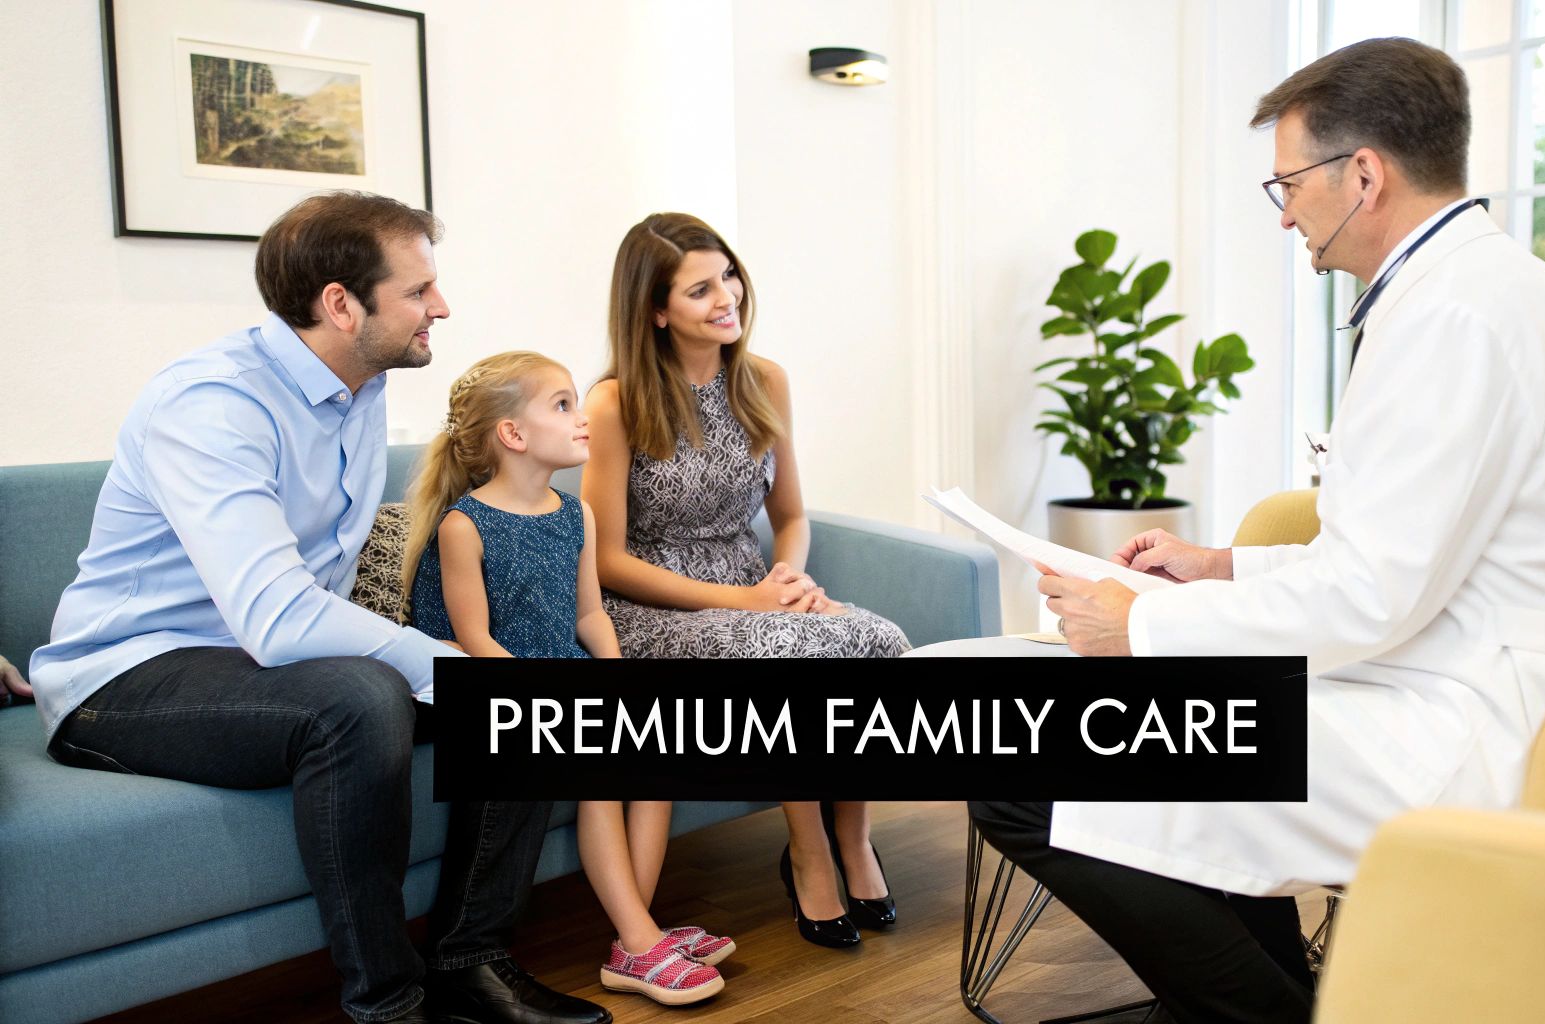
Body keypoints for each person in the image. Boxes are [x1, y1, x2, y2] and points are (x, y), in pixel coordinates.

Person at [972, 38, 1545, 1023]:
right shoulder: (1468, 292)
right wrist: (1219, 565)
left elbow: (1373, 593)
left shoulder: (1453, 318)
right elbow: (1399, 549)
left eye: (1288, 183)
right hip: (1466, 673)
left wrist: (1140, 626)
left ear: (1364, 174)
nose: (1285, 210)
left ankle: (1260, 1012)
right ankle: (1266, 997)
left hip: (1479, 722)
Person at [29, 192, 607, 1024]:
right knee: (363, 697)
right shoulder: (212, 404)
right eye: (418, 292)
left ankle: (472, 960)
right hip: (124, 677)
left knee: (520, 703)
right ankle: (388, 1004)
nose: (439, 307)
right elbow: (275, 615)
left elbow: (311, 604)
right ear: (341, 304)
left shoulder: (358, 390)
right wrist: (443, 664)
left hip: (257, 669)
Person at [579, 213, 905, 949]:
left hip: (755, 587)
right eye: (700, 289)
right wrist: (755, 604)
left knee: (879, 641)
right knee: (787, 653)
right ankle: (808, 852)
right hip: (649, 608)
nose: (727, 296)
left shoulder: (763, 381)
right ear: (656, 311)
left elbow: (790, 514)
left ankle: (853, 839)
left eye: (728, 275)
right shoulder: (615, 402)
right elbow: (606, 561)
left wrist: (788, 577)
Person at [405, 351, 730, 1007]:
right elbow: (474, 640)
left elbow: (588, 614)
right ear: (512, 435)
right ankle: (640, 942)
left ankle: (636, 933)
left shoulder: (573, 513)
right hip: (491, 679)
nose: (582, 418)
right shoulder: (464, 525)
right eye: (562, 406)